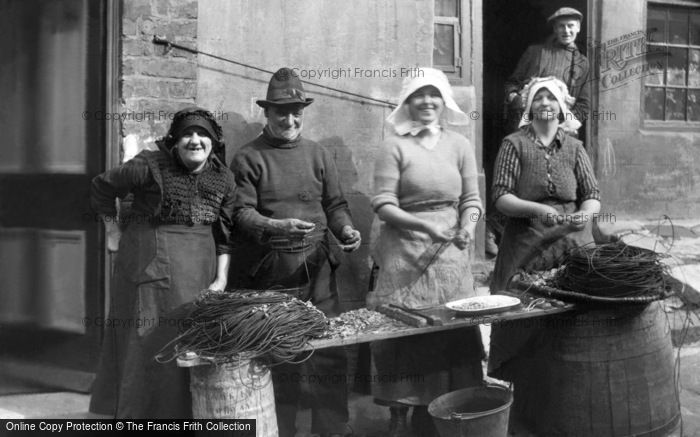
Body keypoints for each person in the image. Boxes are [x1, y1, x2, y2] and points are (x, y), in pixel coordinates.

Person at [228, 67, 361, 437]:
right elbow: (240, 214)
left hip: (318, 270)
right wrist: (275, 226)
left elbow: (335, 204)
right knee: (279, 354)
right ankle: (279, 429)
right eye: (281, 112)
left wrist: (346, 229)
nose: (289, 119)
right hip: (270, 273)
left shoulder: (318, 154)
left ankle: (332, 428)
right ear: (266, 114)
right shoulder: (248, 158)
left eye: (296, 112)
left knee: (329, 349)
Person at [89, 107, 236, 418]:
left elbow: (225, 235)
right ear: (174, 141)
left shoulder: (224, 178)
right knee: (149, 338)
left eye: (202, 135)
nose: (194, 141)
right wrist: (112, 230)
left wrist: (220, 279)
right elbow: (102, 186)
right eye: (186, 134)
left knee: (190, 339)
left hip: (200, 266)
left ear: (213, 142)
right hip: (150, 264)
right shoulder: (149, 165)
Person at [366, 68, 484, 437]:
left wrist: (467, 226)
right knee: (406, 333)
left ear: (445, 101)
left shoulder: (459, 145)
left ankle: (451, 411)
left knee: (451, 331)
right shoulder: (394, 145)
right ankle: (400, 417)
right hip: (404, 252)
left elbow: (471, 199)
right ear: (407, 101)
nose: (427, 102)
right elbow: (383, 205)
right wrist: (425, 227)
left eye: (434, 94)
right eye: (419, 95)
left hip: (450, 255)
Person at [488, 76, 600, 428]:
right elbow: (501, 198)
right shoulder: (513, 144)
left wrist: (588, 213)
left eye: (552, 98)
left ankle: (570, 401)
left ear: (562, 106)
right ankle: (527, 409)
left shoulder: (574, 147)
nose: (546, 104)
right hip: (526, 242)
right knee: (526, 318)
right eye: (539, 99)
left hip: (570, 241)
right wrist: (537, 210)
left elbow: (592, 192)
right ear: (529, 107)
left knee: (572, 318)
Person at [504, 7, 590, 135]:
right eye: (561, 26)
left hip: (561, 129)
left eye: (570, 26)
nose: (566, 31)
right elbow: (511, 84)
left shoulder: (582, 63)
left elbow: (584, 104)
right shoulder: (534, 52)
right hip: (527, 126)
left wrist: (565, 125)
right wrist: (516, 99)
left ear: (578, 28)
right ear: (555, 29)